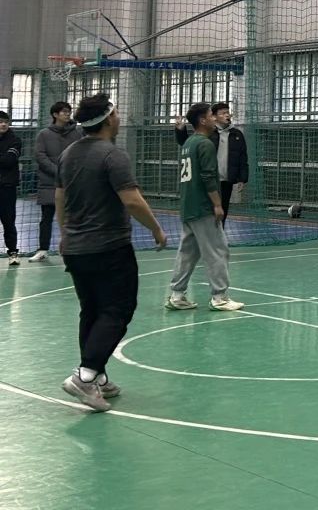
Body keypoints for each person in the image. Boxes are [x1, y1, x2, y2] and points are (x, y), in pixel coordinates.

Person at [56, 92, 167, 412]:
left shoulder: (68, 153)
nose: (119, 117)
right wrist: (156, 229)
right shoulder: (113, 155)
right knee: (118, 310)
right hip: (108, 248)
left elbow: (61, 198)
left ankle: (99, 378)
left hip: (75, 248)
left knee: (91, 311)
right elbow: (131, 200)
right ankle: (85, 375)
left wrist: (64, 234)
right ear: (107, 120)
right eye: (116, 113)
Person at [165, 102, 244, 312]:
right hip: (202, 206)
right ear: (202, 120)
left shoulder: (188, 143)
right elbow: (208, 177)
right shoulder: (205, 144)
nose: (214, 118)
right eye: (211, 115)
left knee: (187, 252)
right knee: (218, 250)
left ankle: (177, 295)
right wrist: (217, 204)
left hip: (188, 206)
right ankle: (220, 297)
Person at [173, 101, 247, 226]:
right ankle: (214, 232)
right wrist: (180, 130)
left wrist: (242, 178)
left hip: (226, 179)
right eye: (223, 113)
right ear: (214, 117)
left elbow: (243, 157)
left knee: (222, 212)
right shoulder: (207, 135)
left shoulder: (236, 134)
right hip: (210, 180)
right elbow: (187, 143)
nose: (227, 115)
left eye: (228, 112)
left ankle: (218, 230)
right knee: (209, 212)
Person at [33, 101, 81, 261]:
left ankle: (75, 247)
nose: (67, 114)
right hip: (49, 183)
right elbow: (40, 156)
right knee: (46, 217)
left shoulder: (77, 133)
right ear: (55, 114)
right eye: (64, 112)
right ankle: (42, 249)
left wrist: (71, 172)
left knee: (74, 217)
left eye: (69, 111)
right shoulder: (44, 134)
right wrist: (58, 172)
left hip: (72, 182)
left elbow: (82, 153)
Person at [0, 111, 21, 266]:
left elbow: (9, 161)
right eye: (0, 121)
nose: (3, 124)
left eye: (6, 122)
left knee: (8, 220)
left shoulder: (15, 140)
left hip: (7, 187)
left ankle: (13, 252)